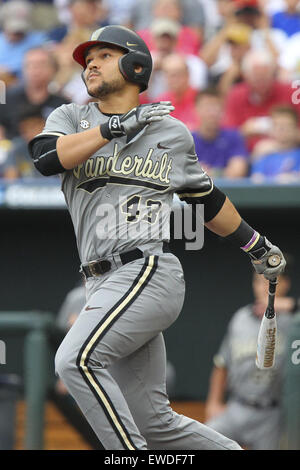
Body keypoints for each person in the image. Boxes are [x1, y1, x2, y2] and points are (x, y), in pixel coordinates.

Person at [28, 25, 285, 450]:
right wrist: (112, 128)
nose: (90, 62)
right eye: (86, 58)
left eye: (104, 55)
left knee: (74, 360)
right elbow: (45, 158)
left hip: (146, 269)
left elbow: (205, 199)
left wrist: (255, 244)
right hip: (99, 281)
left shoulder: (170, 133)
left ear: (135, 65)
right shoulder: (72, 117)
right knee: (155, 423)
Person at [205, 268, 295, 450]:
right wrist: (214, 402)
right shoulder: (240, 318)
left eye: (270, 282)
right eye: (258, 281)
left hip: (271, 414)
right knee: (202, 441)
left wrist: (292, 305)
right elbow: (221, 363)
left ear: (285, 284)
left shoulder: (294, 322)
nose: (263, 287)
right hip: (237, 406)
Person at [223, 49, 298, 151]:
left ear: (273, 74)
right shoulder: (236, 95)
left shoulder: (291, 92)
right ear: (246, 77)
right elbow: (227, 136)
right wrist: (245, 130)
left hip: (290, 153)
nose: (261, 83)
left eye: (265, 77)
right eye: (257, 78)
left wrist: (281, 139)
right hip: (248, 156)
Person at [0, 47, 70, 140]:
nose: (35, 70)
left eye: (41, 65)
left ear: (53, 69)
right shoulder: (6, 98)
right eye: (29, 65)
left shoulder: (63, 105)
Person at [143, 19, 208, 101]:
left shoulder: (193, 63)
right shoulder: (144, 62)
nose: (164, 43)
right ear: (152, 40)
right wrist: (151, 72)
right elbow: (139, 96)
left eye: (169, 39)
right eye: (160, 39)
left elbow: (197, 92)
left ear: (177, 41)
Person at [192, 88, 249, 179]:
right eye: (207, 107)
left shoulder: (234, 137)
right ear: (196, 110)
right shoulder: (186, 141)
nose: (212, 113)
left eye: (216, 107)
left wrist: (208, 173)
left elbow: (238, 171)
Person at [250, 105, 300, 182]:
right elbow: (256, 178)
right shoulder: (265, 155)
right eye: (279, 126)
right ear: (272, 129)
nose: (283, 130)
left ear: (296, 129)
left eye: (288, 126)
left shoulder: (298, 154)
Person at [156, 53, 199, 130]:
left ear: (187, 75)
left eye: (178, 74)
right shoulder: (161, 101)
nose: (174, 80)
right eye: (169, 75)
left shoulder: (199, 98)